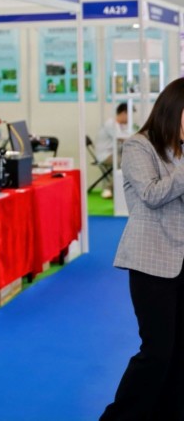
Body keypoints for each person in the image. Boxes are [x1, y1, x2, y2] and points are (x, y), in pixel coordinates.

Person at [101, 78, 184, 419]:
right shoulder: (139, 145)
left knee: (179, 353)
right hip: (152, 261)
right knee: (157, 351)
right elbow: (151, 194)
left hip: (182, 260)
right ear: (174, 109)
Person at [95, 102, 133, 198]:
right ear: (123, 113)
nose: (130, 119)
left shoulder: (121, 125)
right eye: (130, 115)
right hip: (106, 155)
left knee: (130, 161)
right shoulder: (111, 124)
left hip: (115, 153)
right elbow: (122, 138)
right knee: (126, 163)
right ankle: (109, 188)